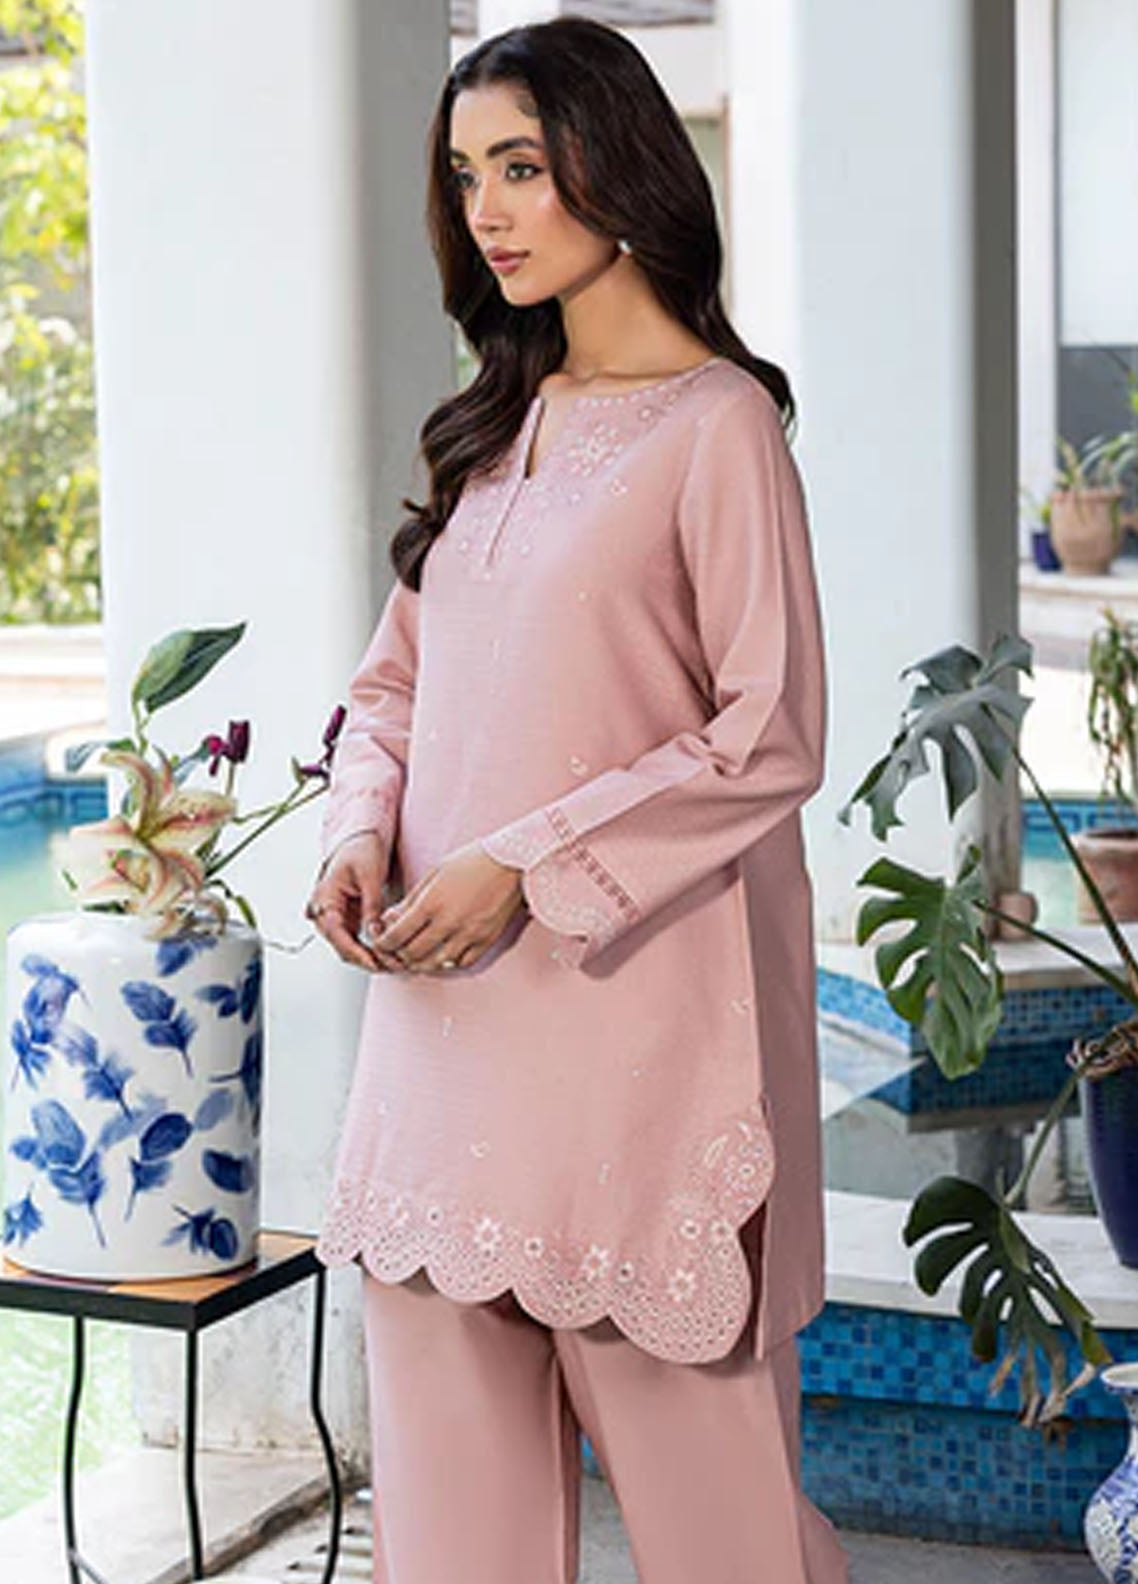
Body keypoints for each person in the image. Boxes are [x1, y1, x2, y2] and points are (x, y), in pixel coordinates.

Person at [303, 16, 849, 1584]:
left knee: (721, 1529)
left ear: (617, 161)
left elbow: (768, 732)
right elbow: (392, 687)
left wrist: (520, 863)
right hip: (441, 1041)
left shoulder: (718, 427)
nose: (487, 210)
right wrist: (357, 829)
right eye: (466, 175)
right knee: (449, 1528)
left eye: (522, 168)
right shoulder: (496, 425)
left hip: (635, 1044)